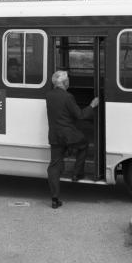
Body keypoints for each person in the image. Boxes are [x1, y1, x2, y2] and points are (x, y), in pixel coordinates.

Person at [45, 70, 99, 209]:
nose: (69, 81)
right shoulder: (68, 97)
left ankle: (55, 198)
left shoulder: (49, 95)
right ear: (64, 82)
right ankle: (77, 173)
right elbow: (80, 115)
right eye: (68, 80)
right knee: (84, 144)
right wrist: (92, 105)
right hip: (69, 136)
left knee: (54, 166)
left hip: (55, 136)